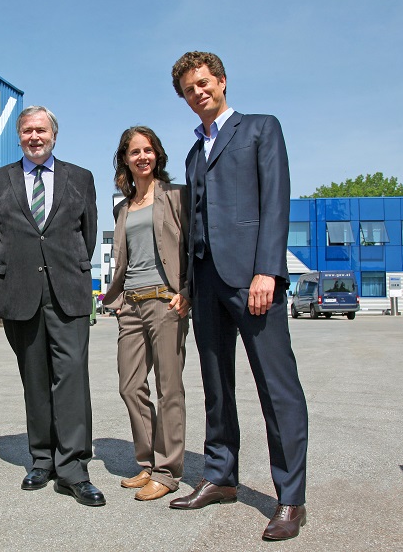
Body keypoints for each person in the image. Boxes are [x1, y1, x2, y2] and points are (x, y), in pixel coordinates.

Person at [168, 51, 309, 541]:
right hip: (206, 281)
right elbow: (195, 224)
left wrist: (268, 269)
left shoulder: (260, 128)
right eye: (189, 89)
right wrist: (189, 285)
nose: (198, 92)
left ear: (222, 82)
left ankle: (290, 498)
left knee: (276, 387)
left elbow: (275, 200)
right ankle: (221, 476)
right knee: (216, 385)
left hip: (252, 279)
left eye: (204, 83)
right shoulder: (194, 153)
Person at [0, 106, 104, 507]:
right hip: (20, 291)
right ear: (18, 136)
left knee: (71, 377)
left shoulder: (80, 178)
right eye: (27, 130)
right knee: (34, 378)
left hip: (67, 290)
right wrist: (13, 272)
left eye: (42, 130)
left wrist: (66, 267)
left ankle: (73, 468)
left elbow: (87, 235)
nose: (35, 136)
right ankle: (42, 459)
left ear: (54, 135)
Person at [101, 126, 190, 501]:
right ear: (125, 158)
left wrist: (188, 292)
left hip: (166, 302)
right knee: (130, 385)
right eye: (135, 151)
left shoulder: (176, 196)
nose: (142, 157)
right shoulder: (122, 208)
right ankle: (148, 462)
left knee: (169, 388)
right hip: (132, 305)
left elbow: (194, 247)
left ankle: (167, 471)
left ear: (158, 155)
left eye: (148, 150)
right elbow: (124, 259)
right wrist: (119, 300)